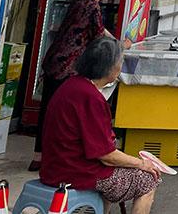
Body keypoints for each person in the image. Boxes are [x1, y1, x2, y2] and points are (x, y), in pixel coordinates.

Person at [41, 36, 161, 213]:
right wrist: (141, 164)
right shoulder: (91, 97)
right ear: (110, 67)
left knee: (125, 171)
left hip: (56, 165)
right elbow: (106, 155)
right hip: (75, 170)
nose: (121, 66)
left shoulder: (72, 85)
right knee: (148, 180)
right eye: (120, 61)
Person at [31, 0, 118, 171]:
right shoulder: (93, 7)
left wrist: (114, 38)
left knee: (47, 109)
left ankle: (38, 155)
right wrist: (120, 46)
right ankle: (56, 155)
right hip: (68, 64)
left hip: (54, 59)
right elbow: (98, 34)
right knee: (63, 111)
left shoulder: (79, 2)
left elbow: (98, 29)